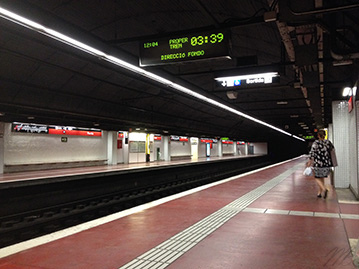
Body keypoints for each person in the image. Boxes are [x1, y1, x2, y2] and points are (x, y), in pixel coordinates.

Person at [307, 129, 335, 199]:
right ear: (324, 135)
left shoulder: (316, 143)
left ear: (318, 135)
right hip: (326, 164)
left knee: (316, 177)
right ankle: (319, 193)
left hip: (318, 163)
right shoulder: (328, 142)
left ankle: (324, 189)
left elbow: (312, 153)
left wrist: (309, 161)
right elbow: (332, 151)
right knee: (321, 177)